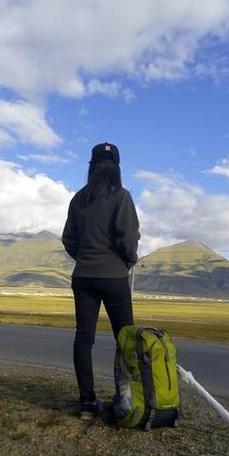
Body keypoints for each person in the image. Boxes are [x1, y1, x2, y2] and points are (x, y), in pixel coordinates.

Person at [61, 142, 140, 420]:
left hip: (83, 277)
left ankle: (87, 402)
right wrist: (127, 261)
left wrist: (84, 257)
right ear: (117, 167)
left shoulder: (78, 199)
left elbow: (68, 239)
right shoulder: (121, 196)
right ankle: (125, 401)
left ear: (91, 167)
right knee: (126, 339)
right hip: (114, 277)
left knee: (84, 339)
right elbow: (129, 239)